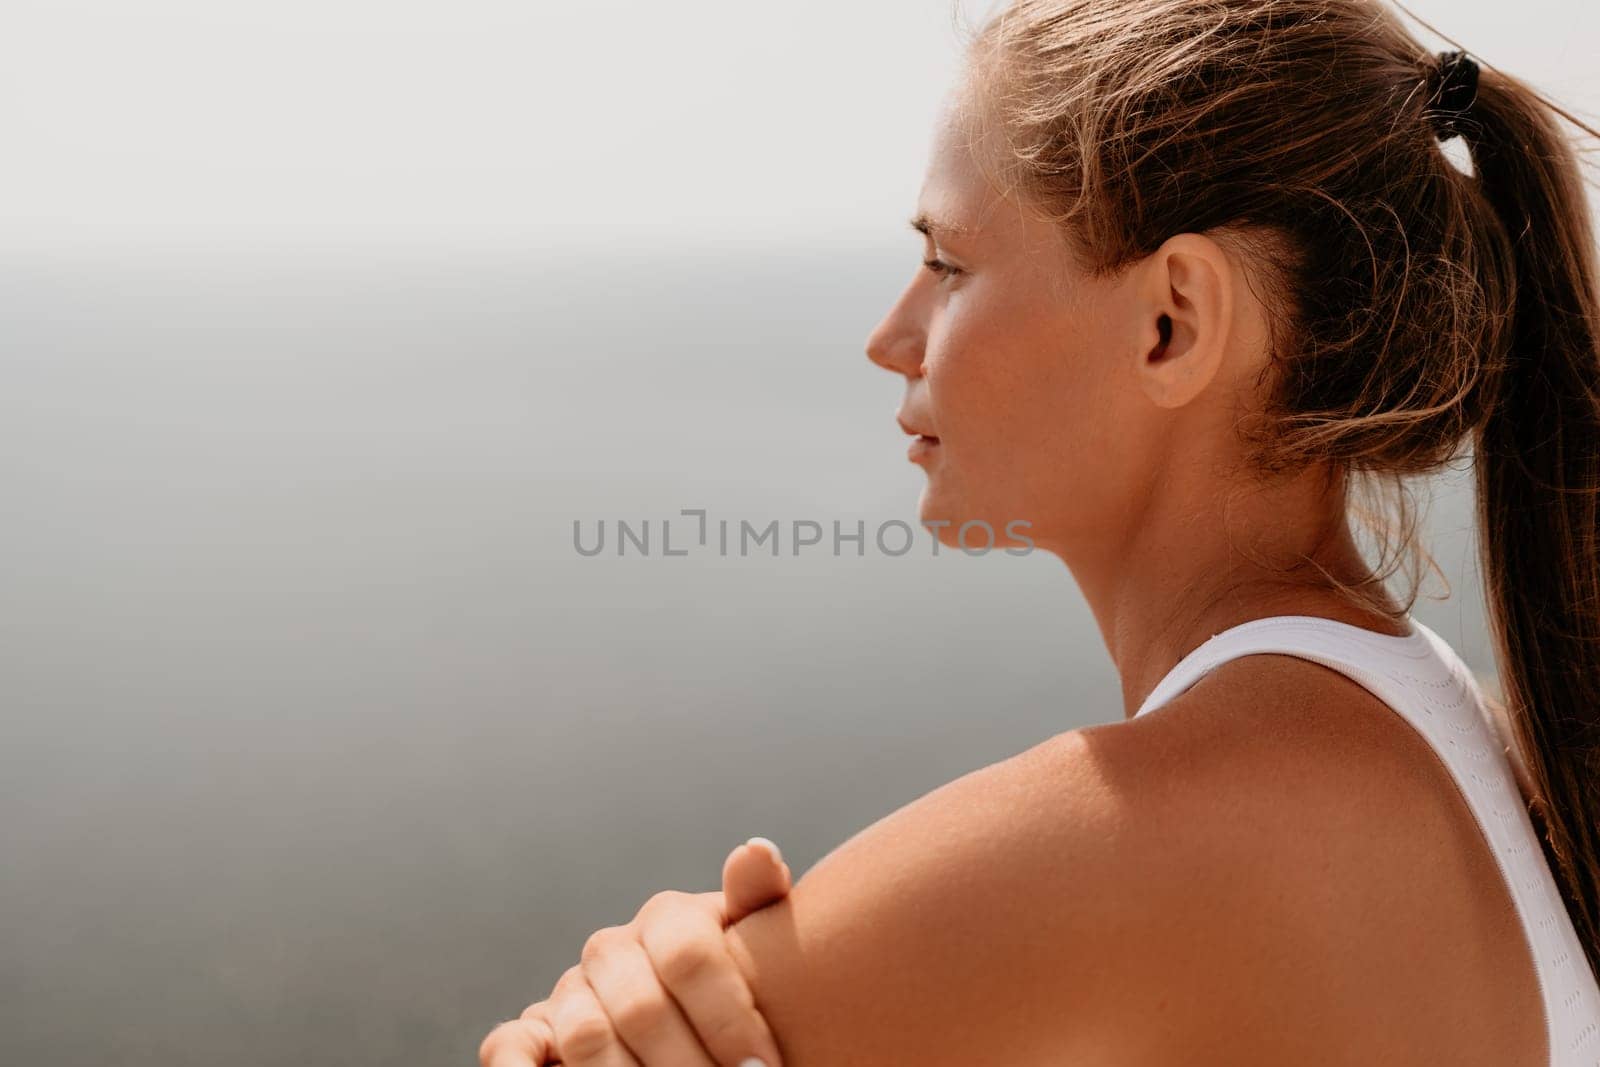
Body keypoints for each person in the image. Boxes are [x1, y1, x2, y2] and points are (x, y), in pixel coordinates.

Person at [480, 0, 1600, 1062]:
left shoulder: (1143, 840)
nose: (890, 336)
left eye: (947, 264)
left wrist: (592, 1018)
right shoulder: (1455, 735)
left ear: (1172, 324)